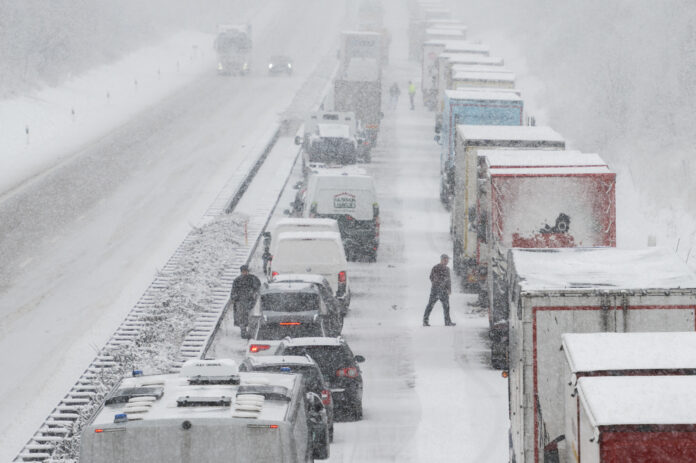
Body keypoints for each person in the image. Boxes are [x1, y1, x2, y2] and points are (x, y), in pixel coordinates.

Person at [423, 254, 456, 327]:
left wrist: (449, 289)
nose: (447, 261)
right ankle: (425, 321)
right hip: (435, 290)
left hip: (444, 291)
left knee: (446, 306)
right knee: (430, 305)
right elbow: (431, 277)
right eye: (445, 259)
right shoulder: (436, 267)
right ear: (442, 260)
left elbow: (448, 280)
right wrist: (437, 284)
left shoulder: (447, 269)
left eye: (447, 260)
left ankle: (447, 322)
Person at [231, 265, 261, 336]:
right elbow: (233, 291)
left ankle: (251, 331)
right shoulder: (237, 280)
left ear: (248, 271)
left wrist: (254, 294)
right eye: (243, 271)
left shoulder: (253, 279)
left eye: (245, 271)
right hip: (240, 301)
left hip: (252, 301)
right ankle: (243, 331)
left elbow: (258, 287)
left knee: (251, 317)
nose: (244, 273)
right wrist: (235, 298)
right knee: (242, 317)